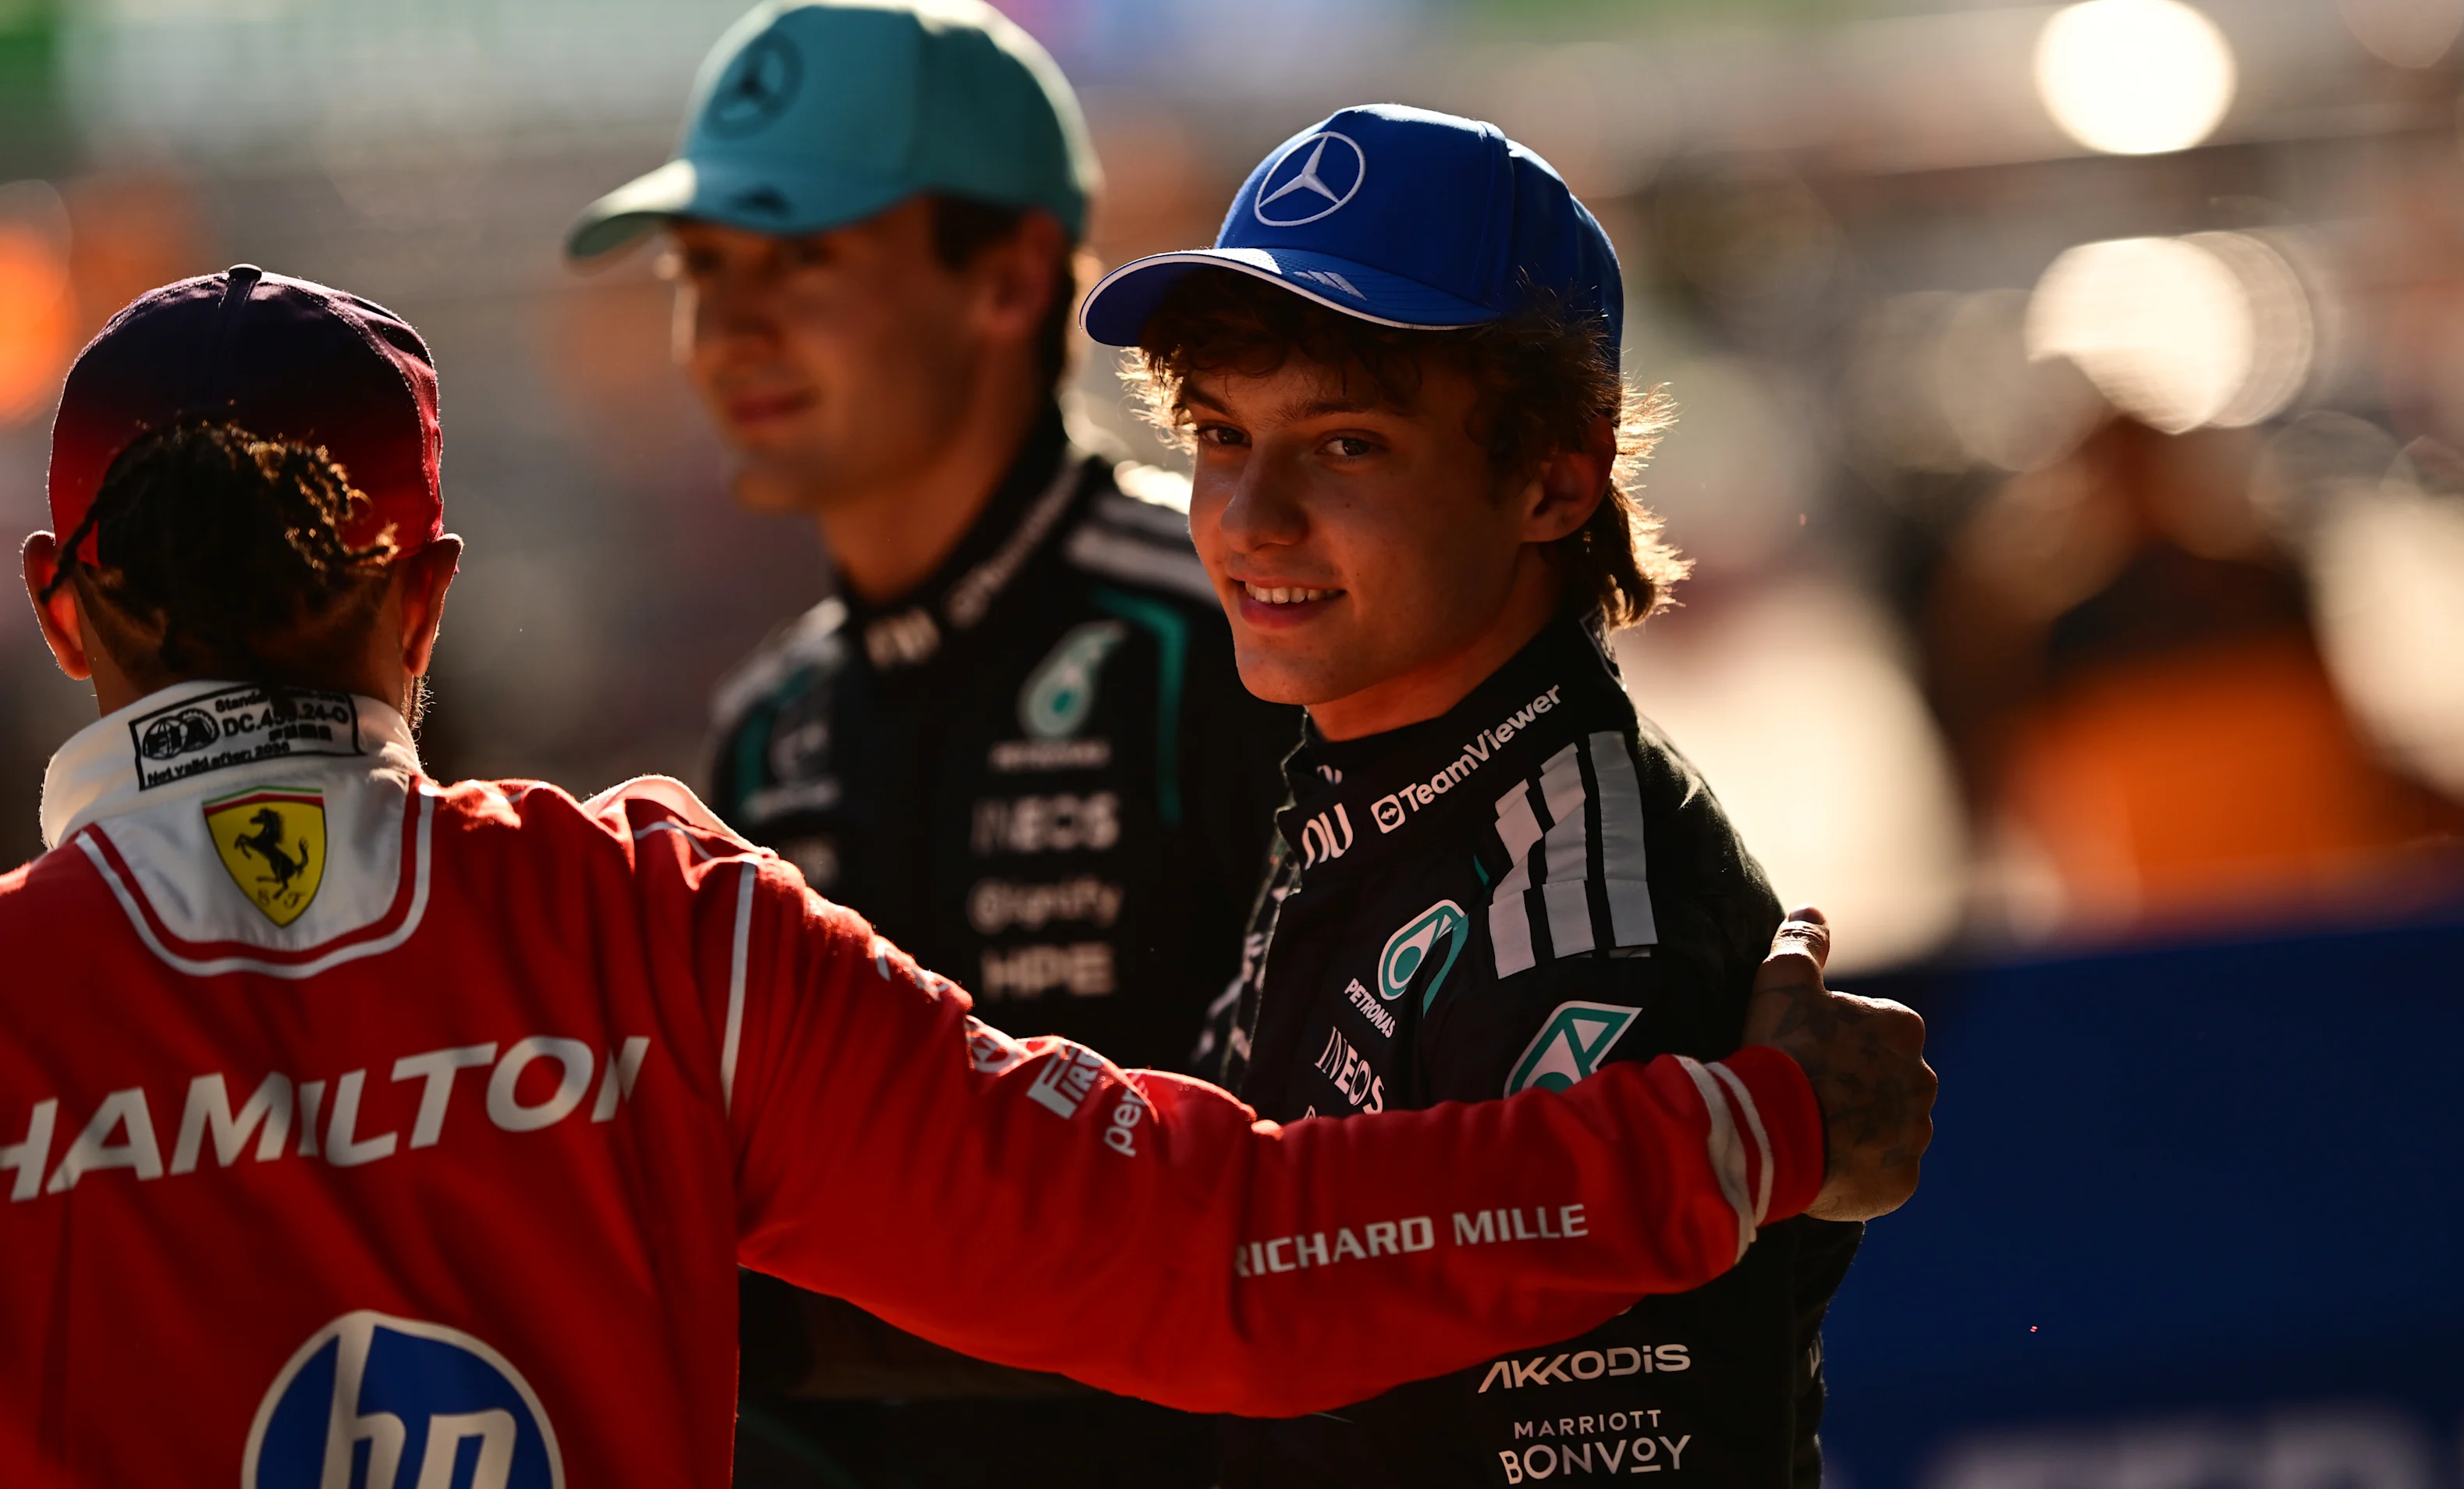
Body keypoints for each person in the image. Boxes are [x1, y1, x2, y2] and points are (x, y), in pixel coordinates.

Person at [2, 267, 1930, 1484]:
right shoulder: (652, 928)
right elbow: (1223, 1263)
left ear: (60, 610)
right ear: (426, 598)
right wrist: (1746, 1132)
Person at [1080, 105, 1873, 1487]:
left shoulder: (1573, 909)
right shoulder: (1380, 790)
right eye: (1220, 433)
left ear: (1555, 479)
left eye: (1346, 445)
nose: (1250, 518)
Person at [562, 2, 1299, 1478]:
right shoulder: (772, 728)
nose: (732, 328)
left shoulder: (1243, 635)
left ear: (1010, 278)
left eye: (800, 258)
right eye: (702, 270)